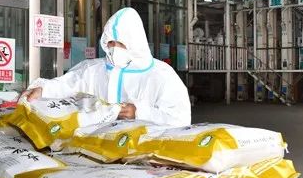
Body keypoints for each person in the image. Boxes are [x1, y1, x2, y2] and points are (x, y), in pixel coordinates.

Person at [23, 7, 191, 126]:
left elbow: (180, 120)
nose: (114, 48)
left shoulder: (161, 75)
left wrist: (140, 112)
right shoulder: (92, 70)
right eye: (110, 43)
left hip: (145, 155)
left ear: (135, 43)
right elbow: (67, 85)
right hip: (98, 150)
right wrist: (43, 89)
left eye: (121, 44)